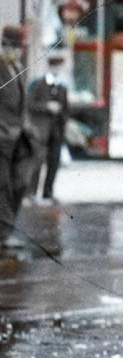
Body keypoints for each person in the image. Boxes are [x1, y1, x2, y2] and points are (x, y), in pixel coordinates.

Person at [0, 27, 35, 245]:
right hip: (2, 137)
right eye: (17, 47)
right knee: (2, 185)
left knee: (20, 182)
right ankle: (4, 233)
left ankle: (6, 227)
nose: (20, 52)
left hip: (19, 138)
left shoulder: (17, 68)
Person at [26, 55, 70, 203]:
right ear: (49, 67)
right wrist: (46, 106)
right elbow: (30, 104)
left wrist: (64, 128)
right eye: (55, 67)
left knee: (53, 163)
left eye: (59, 67)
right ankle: (32, 192)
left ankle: (48, 192)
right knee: (37, 162)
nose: (58, 70)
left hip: (56, 132)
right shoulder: (39, 84)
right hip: (41, 130)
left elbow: (65, 110)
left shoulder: (62, 87)